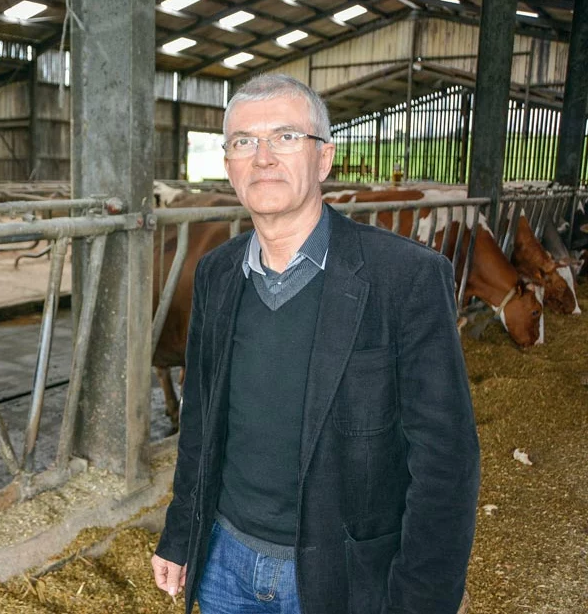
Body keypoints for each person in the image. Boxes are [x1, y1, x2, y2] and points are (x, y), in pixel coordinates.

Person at [150, 74, 480, 614]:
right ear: (229, 166)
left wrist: (423, 598)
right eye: (242, 142)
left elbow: (447, 459)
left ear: (324, 159)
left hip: (343, 574)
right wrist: (181, 531)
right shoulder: (216, 273)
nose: (262, 157)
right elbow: (202, 420)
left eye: (285, 137)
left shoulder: (407, 277)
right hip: (225, 562)